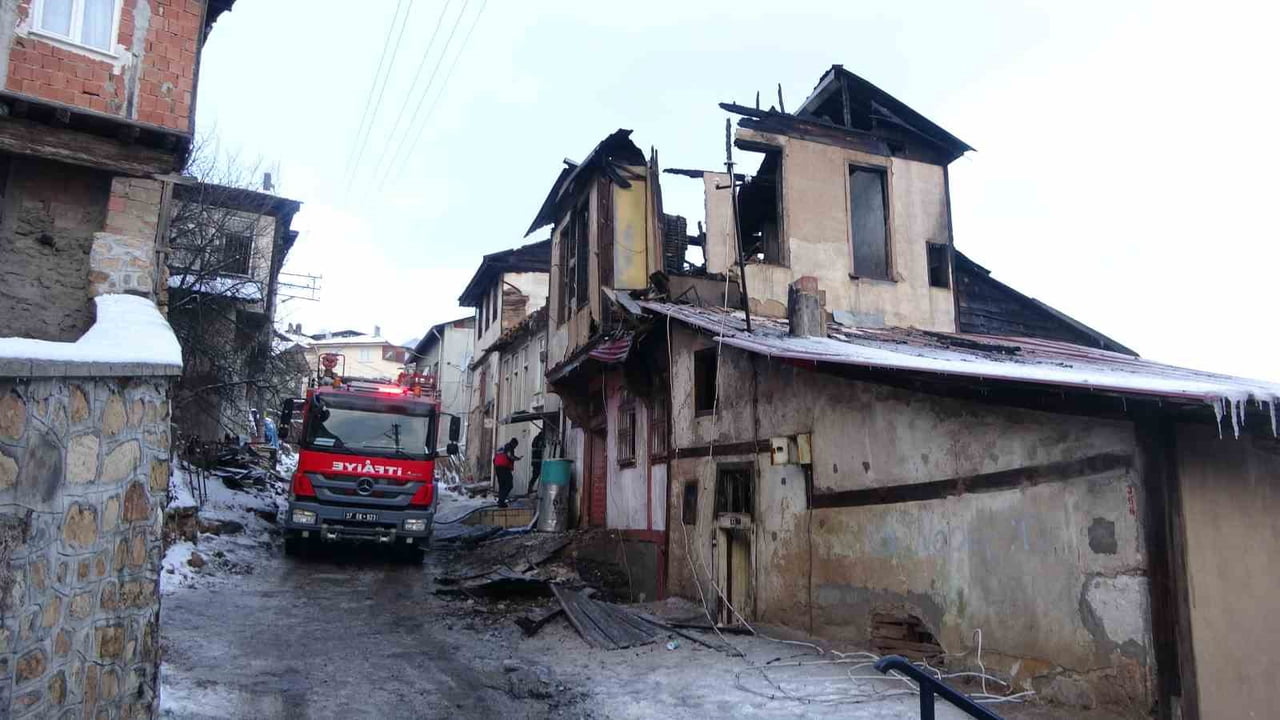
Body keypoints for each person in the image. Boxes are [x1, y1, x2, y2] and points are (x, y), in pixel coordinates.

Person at [493, 438, 520, 508]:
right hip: (504, 468)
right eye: (516, 446)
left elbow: (494, 459)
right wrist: (517, 458)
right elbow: (509, 456)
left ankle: (500, 501)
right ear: (513, 444)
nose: (515, 447)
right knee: (509, 485)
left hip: (498, 467)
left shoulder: (502, 448)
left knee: (502, 485)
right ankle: (501, 501)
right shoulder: (509, 447)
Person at [526, 430, 546, 495]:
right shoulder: (538, 440)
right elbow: (541, 447)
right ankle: (530, 489)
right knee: (536, 475)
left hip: (536, 461)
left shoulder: (536, 439)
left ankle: (531, 489)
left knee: (536, 475)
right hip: (537, 461)